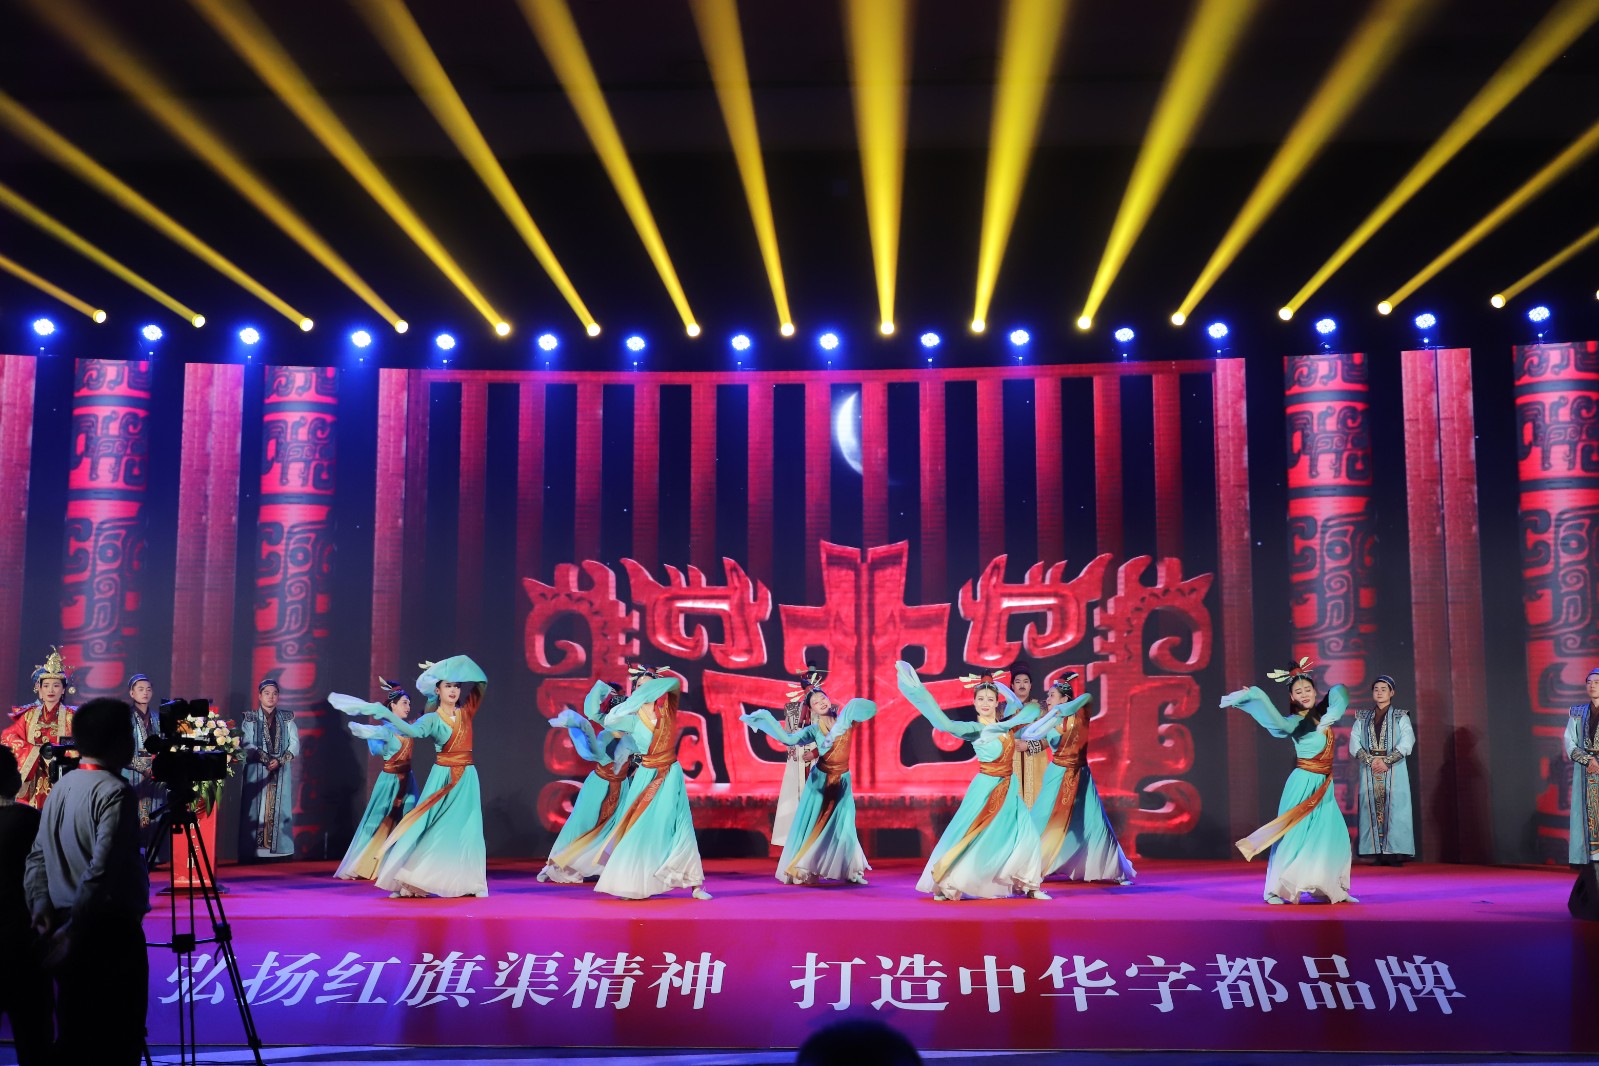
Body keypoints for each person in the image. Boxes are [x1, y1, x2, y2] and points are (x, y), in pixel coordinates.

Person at [25, 697, 151, 1066]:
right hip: (105, 930)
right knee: (118, 1037)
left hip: (63, 923)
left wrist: (41, 908)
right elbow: (102, 870)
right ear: (120, 743)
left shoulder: (63, 785)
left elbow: (37, 856)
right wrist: (75, 929)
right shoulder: (116, 791)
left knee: (75, 1031)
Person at [331, 655, 488, 898]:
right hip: (443, 777)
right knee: (426, 828)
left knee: (469, 830)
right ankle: (411, 879)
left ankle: (473, 883)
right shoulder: (432, 718)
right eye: (448, 685)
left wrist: (452, 665)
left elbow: (482, 681)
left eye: (457, 686)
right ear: (437, 690)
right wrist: (381, 712)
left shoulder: (467, 711)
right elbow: (411, 730)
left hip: (467, 777)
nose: (453, 690)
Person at [895, 661, 1046, 901]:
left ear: (996, 703)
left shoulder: (1004, 724)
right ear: (974, 703)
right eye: (981, 699)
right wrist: (919, 693)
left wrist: (1003, 691)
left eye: (990, 699)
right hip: (986, 788)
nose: (985, 703)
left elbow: (1029, 709)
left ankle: (1031, 885)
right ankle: (948, 882)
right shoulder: (975, 729)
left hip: (1009, 788)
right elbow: (944, 724)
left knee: (1027, 836)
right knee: (971, 836)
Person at [1223, 657, 1355, 904]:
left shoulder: (1321, 714)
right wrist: (1256, 696)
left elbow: (1340, 691)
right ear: (1292, 697)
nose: (1304, 694)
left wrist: (1332, 711)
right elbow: (1279, 724)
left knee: (1332, 836)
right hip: (1303, 784)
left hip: (1324, 786)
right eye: (1298, 692)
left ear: (1315, 691)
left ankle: (1331, 888)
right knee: (1292, 837)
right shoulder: (1297, 722)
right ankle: (1273, 890)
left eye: (1307, 689)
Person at [741, 672, 877, 886]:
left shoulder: (846, 720)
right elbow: (789, 740)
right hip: (820, 782)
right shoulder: (814, 729)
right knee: (814, 826)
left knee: (846, 826)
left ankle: (851, 869)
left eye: (822, 698)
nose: (821, 702)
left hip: (843, 780)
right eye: (815, 702)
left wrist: (853, 705)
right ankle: (806, 868)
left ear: (829, 699)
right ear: (811, 710)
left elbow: (870, 709)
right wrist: (766, 719)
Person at [593, 667, 712, 900]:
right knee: (639, 827)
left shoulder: (668, 711)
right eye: (639, 687)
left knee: (678, 824)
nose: (644, 690)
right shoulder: (631, 720)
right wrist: (623, 699)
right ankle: (631, 882)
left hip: (670, 774)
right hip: (647, 775)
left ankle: (696, 884)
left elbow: (674, 685)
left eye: (649, 686)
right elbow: (606, 719)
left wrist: (650, 682)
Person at [1019, 673, 1136, 884]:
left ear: (1064, 699)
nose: (1048, 698)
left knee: (1095, 823)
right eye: (1048, 695)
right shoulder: (1049, 719)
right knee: (1041, 819)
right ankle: (1025, 867)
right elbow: (1041, 740)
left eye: (1052, 695)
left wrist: (1064, 708)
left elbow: (1088, 697)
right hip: (1057, 774)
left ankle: (1114, 870)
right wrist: (1025, 744)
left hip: (1081, 775)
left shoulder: (1081, 714)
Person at [539, 679, 636, 883]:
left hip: (621, 787)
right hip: (600, 785)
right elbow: (595, 750)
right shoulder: (606, 734)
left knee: (615, 829)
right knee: (582, 824)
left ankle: (604, 867)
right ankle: (556, 864)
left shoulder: (633, 735)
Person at [334, 679, 419, 881]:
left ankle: (402, 865)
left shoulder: (410, 728)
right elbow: (365, 731)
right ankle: (363, 863)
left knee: (409, 819)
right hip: (390, 782)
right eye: (404, 703)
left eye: (409, 703)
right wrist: (358, 727)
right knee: (377, 820)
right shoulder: (386, 730)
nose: (408, 706)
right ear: (392, 706)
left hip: (408, 781)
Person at [0, 747, 51, 1065]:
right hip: (23, 941)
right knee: (35, 1040)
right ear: (13, 780)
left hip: (20, 938)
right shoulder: (29, 820)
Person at [1350, 674, 1415, 865]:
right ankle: (1377, 852)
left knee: (1396, 808)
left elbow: (1407, 741)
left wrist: (1387, 761)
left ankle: (1393, 853)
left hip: (1393, 768)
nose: (1379, 693)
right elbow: (1354, 741)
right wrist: (1370, 760)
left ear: (1392, 693)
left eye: (1384, 689)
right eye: (1376, 689)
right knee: (1371, 806)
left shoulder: (1401, 716)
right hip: (1370, 767)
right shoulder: (1362, 717)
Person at [2, 648, 78, 809]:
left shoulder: (73, 716)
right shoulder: (28, 715)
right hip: (32, 777)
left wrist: (57, 754)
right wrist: (35, 751)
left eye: (56, 685)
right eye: (46, 685)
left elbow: (80, 745)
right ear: (40, 690)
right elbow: (8, 738)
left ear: (63, 690)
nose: (51, 690)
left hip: (60, 777)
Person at [239, 677, 298, 860]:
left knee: (279, 809)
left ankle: (279, 852)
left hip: (280, 771)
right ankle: (254, 852)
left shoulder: (287, 718)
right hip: (257, 771)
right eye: (267, 693)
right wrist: (266, 759)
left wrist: (280, 760)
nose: (271, 697)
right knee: (255, 809)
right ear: (259, 696)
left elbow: (295, 743)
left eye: (274, 693)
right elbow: (246, 742)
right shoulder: (249, 718)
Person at [772, 667, 822, 849]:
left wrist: (816, 753)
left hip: (819, 761)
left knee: (817, 802)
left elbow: (833, 739)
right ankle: (795, 845)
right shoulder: (792, 709)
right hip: (797, 760)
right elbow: (788, 736)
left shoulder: (828, 709)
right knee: (795, 800)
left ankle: (817, 843)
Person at [1567, 667, 1599, 870]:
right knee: (1587, 816)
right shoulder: (1577, 713)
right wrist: (1588, 760)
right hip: (1586, 771)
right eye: (1589, 682)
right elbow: (1570, 742)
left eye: (1596, 682)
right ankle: (1592, 862)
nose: (1592, 686)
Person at [1009, 664, 1051, 807]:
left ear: (1030, 685)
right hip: (1010, 759)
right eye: (1018, 682)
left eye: (1025, 682)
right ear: (1012, 685)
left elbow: (1050, 737)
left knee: (1036, 801)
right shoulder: (1001, 709)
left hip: (1035, 760)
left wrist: (1029, 745)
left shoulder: (1042, 708)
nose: (1022, 685)